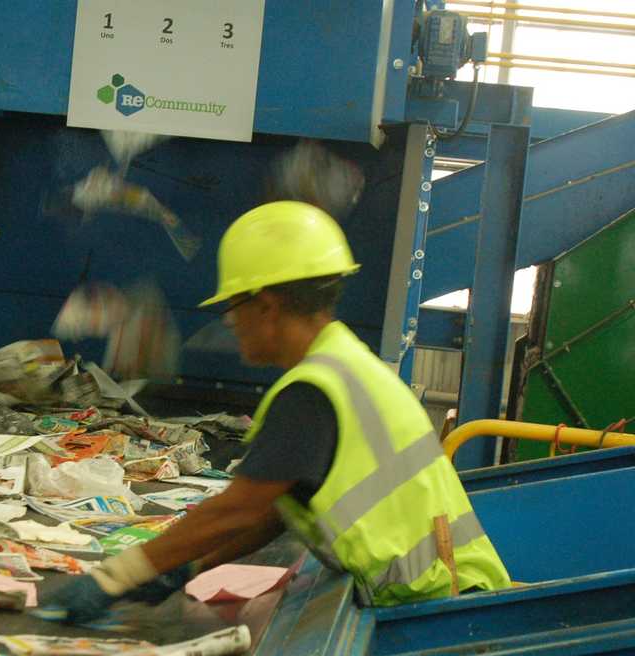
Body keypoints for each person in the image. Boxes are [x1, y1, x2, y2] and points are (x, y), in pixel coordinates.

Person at [43, 201, 511, 624]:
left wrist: (116, 576)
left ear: (266, 306)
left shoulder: (312, 392)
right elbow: (274, 508)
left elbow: (239, 507)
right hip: (451, 598)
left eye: (233, 305)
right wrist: (190, 565)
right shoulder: (349, 364)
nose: (230, 320)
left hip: (434, 614)